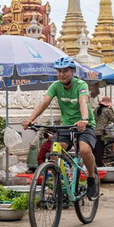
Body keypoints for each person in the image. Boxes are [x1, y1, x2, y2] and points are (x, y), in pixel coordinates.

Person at [22, 56, 99, 199]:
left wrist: (84, 119)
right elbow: (44, 102)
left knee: (84, 150)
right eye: (59, 71)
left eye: (65, 71)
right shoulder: (55, 86)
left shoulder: (81, 85)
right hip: (66, 126)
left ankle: (91, 178)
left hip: (85, 124)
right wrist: (31, 119)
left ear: (72, 72)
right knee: (54, 152)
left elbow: (83, 101)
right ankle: (59, 181)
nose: (62, 74)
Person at [94, 96, 114, 167]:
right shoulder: (107, 110)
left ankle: (96, 164)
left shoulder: (96, 110)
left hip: (94, 131)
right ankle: (99, 165)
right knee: (100, 150)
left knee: (96, 149)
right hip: (101, 132)